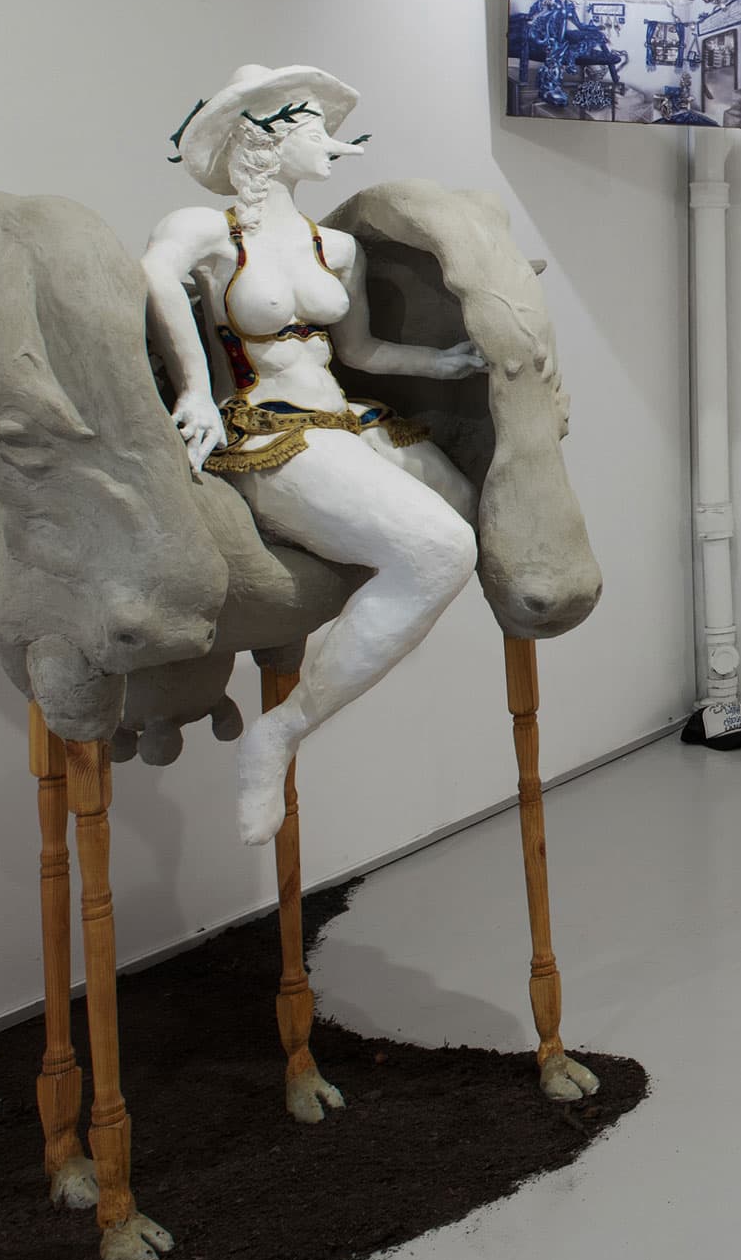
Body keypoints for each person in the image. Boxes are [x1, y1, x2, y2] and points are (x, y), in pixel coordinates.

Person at [143, 65, 487, 845]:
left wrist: (442, 363)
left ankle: (344, 640)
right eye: (314, 128)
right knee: (441, 550)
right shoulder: (205, 231)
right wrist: (195, 389)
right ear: (262, 140)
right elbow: (155, 275)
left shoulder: (335, 247)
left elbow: (360, 349)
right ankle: (282, 732)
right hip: (270, 432)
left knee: (473, 511)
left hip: (348, 421)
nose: (335, 143)